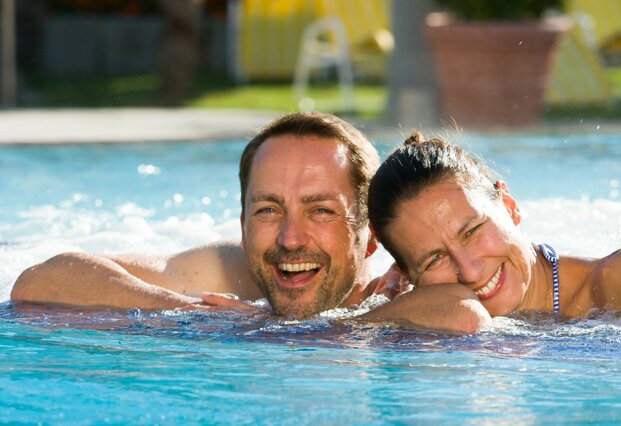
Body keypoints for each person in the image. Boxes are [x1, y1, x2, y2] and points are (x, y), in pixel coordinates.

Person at [10, 113, 485, 332]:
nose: (290, 238)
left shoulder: (407, 277)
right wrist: (189, 313)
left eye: (321, 210)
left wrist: (334, 329)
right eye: (268, 210)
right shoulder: (229, 277)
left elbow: (462, 314)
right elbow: (41, 281)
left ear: (369, 237)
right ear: (241, 224)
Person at [366, 132, 621, 336]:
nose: (469, 271)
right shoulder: (425, 318)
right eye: (434, 258)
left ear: (508, 206)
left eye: (472, 230)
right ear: (407, 274)